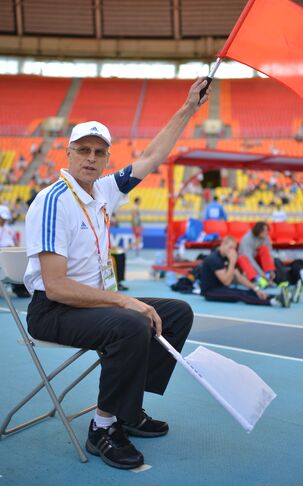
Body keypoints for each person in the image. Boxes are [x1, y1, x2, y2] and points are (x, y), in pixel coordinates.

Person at [24, 78, 210, 471]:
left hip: (90, 304)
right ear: (69, 153)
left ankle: (125, 409)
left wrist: (189, 107)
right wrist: (126, 300)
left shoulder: (104, 191)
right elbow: (55, 286)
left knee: (176, 312)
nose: (90, 158)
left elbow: (151, 157)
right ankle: (102, 427)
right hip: (53, 309)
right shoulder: (54, 200)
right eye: (83, 150)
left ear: (107, 158)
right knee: (130, 322)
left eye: (99, 152)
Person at [199, 236, 291, 307]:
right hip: (210, 292)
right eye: (230, 247)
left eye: (234, 248)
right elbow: (226, 282)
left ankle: (279, 296)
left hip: (220, 288)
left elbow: (240, 277)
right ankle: (272, 302)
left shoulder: (226, 257)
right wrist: (232, 262)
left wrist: (256, 289)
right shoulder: (214, 259)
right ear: (223, 244)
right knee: (240, 295)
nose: (232, 251)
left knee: (247, 291)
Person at [237, 222, 277, 287]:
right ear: (258, 230)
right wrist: (260, 273)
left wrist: (271, 270)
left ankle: (269, 276)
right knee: (242, 258)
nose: (266, 232)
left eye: (267, 230)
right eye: (264, 230)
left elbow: (269, 253)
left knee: (264, 248)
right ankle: (257, 279)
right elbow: (249, 259)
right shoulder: (247, 239)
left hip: (257, 258)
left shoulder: (266, 237)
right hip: (246, 259)